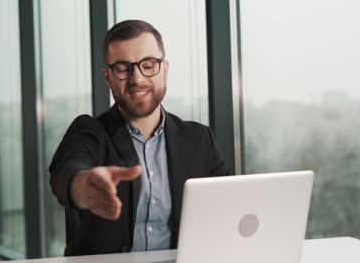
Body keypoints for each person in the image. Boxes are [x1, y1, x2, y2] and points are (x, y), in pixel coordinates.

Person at [49, 19, 230, 256]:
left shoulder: (199, 138)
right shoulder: (88, 131)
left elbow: (228, 205)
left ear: (165, 69)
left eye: (148, 64)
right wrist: (84, 187)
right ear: (108, 78)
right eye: (123, 68)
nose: (137, 78)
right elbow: (66, 173)